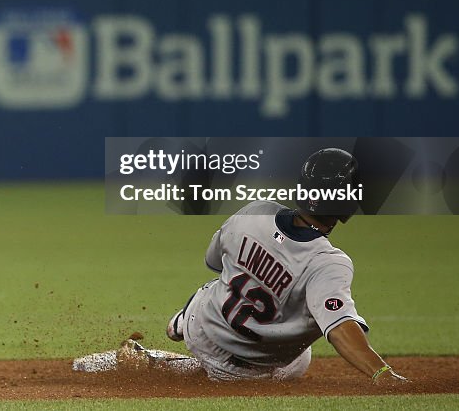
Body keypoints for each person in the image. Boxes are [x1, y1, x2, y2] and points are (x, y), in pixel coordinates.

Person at [164, 148, 410, 385]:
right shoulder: (328, 263)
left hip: (203, 327)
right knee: (303, 346)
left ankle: (182, 325)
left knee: (221, 283)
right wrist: (382, 373)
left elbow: (214, 261)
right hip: (248, 372)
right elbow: (339, 328)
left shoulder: (256, 210)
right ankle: (191, 364)